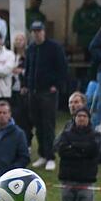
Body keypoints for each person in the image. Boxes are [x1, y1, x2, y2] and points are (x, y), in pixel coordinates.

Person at [54, 108, 100, 201]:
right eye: (79, 116)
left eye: (84, 116)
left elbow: (93, 150)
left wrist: (73, 148)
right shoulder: (65, 134)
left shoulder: (95, 135)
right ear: (74, 118)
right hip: (67, 181)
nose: (81, 118)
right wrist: (83, 150)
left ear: (89, 119)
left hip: (86, 182)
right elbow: (62, 150)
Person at [25, 21, 67, 172]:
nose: (37, 34)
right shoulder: (31, 48)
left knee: (48, 124)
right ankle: (42, 154)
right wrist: (26, 84)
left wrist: (56, 85)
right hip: (33, 91)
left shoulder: (54, 47)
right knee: (38, 124)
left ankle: (50, 156)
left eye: (39, 31)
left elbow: (62, 67)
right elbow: (28, 68)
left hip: (48, 92)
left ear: (44, 31)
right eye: (34, 31)